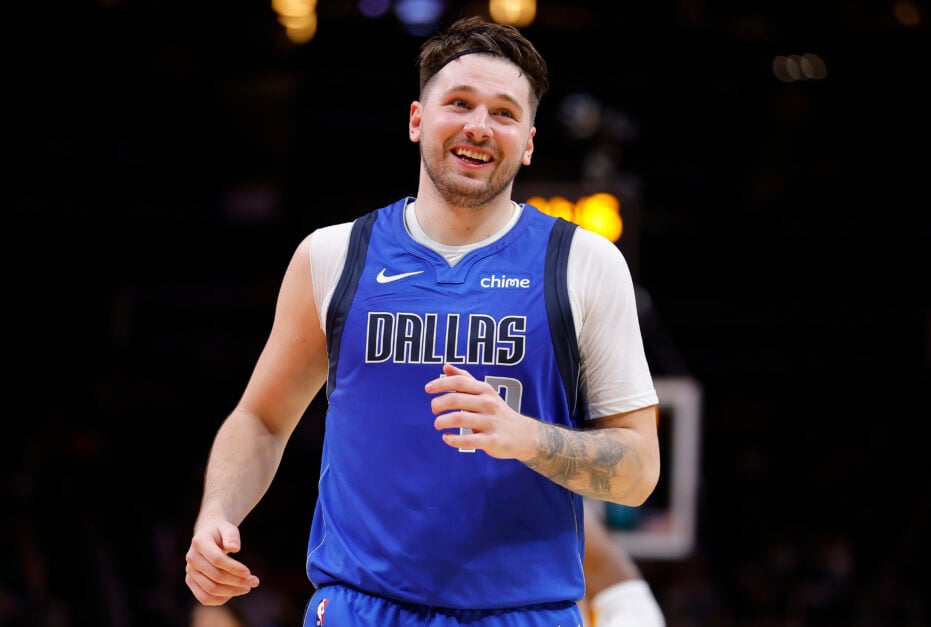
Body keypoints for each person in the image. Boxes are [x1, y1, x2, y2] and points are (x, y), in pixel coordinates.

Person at [184, 15, 661, 627]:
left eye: (504, 113)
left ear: (530, 140)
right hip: (359, 608)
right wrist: (217, 513)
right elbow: (262, 419)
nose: (478, 127)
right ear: (416, 120)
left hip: (521, 612)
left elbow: (640, 472)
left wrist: (525, 437)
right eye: (458, 103)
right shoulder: (332, 255)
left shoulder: (585, 264)